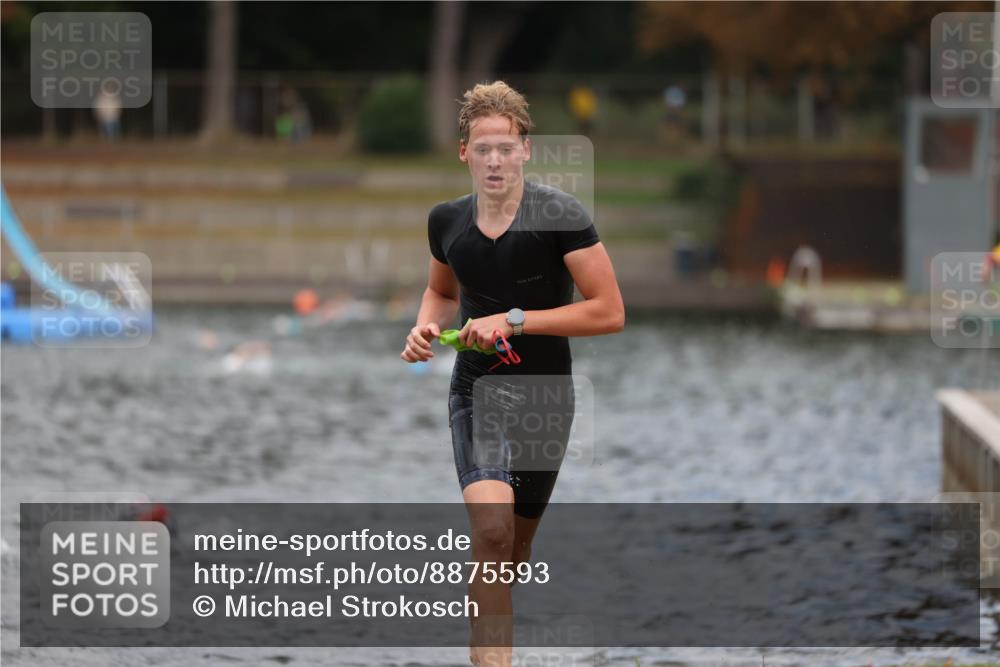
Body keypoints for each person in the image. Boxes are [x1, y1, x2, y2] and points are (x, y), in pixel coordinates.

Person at [400, 81, 625, 667]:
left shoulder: (561, 217)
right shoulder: (446, 221)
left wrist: (515, 320)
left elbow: (609, 312)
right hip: (478, 390)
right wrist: (425, 327)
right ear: (464, 154)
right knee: (493, 533)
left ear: (525, 148)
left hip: (547, 398)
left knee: (514, 553)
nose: (494, 160)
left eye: (505, 147)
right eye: (482, 149)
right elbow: (439, 290)